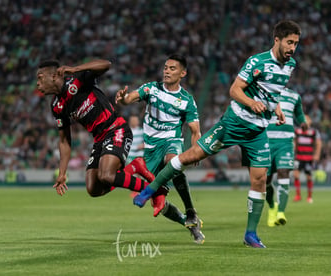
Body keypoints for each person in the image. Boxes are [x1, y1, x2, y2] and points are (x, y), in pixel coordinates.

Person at [132, 20, 301, 248]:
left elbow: (273, 92)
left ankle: (250, 234)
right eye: (289, 42)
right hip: (233, 123)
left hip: (258, 131)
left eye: (296, 43)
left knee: (260, 179)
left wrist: (276, 108)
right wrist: (251, 103)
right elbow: (234, 90)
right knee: (192, 156)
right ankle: (149, 190)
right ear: (277, 40)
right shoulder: (256, 62)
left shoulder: (290, 65)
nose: (292, 48)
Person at [35, 59, 165, 204]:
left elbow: (106, 65)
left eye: (40, 78)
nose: (37, 84)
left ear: (53, 76)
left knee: (107, 175)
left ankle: (154, 191)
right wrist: (62, 173)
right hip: (99, 140)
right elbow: (65, 140)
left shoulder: (77, 80)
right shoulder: (56, 106)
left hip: (116, 128)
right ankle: (135, 166)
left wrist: (76, 68)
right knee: (93, 188)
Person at [115, 54, 204, 244]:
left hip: (171, 140)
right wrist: (123, 99)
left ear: (183, 73)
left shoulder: (187, 100)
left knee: (174, 161)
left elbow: (195, 129)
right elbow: (130, 98)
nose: (167, 71)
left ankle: (190, 210)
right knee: (159, 205)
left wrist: (196, 148)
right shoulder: (151, 88)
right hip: (151, 148)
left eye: (172, 68)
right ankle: (188, 223)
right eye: (165, 67)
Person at [265, 87, 307, 227]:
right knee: (265, 180)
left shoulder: (295, 95)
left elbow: (299, 114)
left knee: (284, 173)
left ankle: (281, 213)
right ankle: (272, 207)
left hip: (286, 142)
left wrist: (303, 122)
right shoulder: (265, 90)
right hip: (266, 141)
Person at [293, 114, 322, 203]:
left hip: (309, 158)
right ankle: (298, 195)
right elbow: (295, 143)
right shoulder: (297, 131)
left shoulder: (314, 132)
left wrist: (317, 155)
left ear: (310, 121)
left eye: (306, 119)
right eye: (303, 119)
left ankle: (309, 197)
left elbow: (318, 143)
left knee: (309, 177)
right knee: (296, 175)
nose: (304, 121)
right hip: (298, 157)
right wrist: (293, 152)